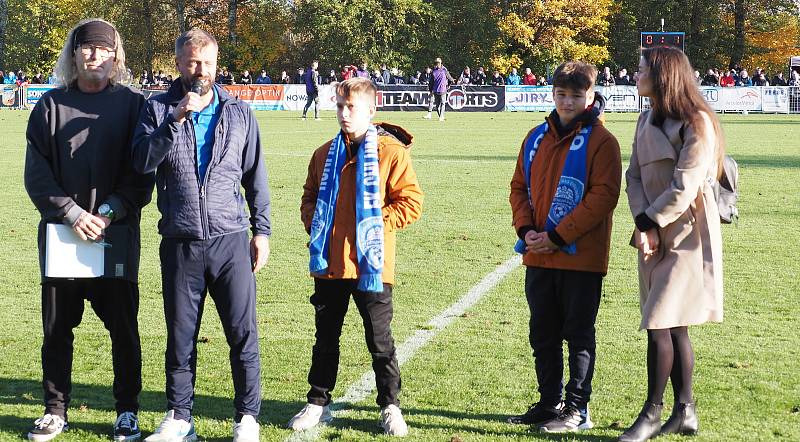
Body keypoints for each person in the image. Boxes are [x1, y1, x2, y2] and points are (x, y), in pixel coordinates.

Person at [132, 28, 271, 442]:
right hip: (180, 239)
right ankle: (179, 417)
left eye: (207, 63)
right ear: (178, 63)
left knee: (242, 332)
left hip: (230, 239)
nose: (201, 70)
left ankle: (247, 417)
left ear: (216, 64)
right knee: (180, 335)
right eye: (193, 62)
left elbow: (256, 177)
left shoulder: (239, 113)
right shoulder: (156, 109)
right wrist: (174, 121)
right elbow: (140, 162)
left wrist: (261, 231)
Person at [23, 18, 152, 442]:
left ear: (116, 56)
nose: (95, 56)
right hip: (63, 236)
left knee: (123, 328)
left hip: (115, 236)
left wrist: (110, 211)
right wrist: (72, 213)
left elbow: (142, 172)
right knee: (58, 328)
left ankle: (126, 411)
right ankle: (55, 410)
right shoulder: (50, 105)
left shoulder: (134, 105)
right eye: (87, 48)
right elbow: (37, 176)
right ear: (74, 53)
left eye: (103, 49)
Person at [288, 77, 423, 437]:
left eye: (352, 107)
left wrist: (376, 225)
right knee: (325, 337)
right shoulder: (322, 154)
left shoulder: (391, 153)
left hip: (373, 264)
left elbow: (411, 202)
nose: (345, 114)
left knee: (380, 339)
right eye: (340, 107)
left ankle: (390, 405)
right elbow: (309, 197)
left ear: (370, 110)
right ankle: (318, 402)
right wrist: (316, 224)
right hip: (330, 263)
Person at [508, 60, 622, 433]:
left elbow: (603, 197)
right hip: (538, 254)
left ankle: (577, 408)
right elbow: (519, 187)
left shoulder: (603, 141)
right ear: (552, 94)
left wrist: (557, 236)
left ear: (591, 95)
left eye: (576, 95)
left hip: (580, 258)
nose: (567, 102)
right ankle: (548, 402)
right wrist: (526, 230)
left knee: (578, 334)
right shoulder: (535, 136)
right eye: (561, 94)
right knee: (542, 332)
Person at [619, 46, 724, 442]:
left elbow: (686, 186)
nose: (635, 75)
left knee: (660, 323)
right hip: (651, 231)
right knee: (673, 325)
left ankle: (651, 413)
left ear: (663, 76)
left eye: (641, 69)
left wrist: (649, 220)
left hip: (686, 234)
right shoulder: (645, 118)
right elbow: (633, 177)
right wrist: (643, 224)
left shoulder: (697, 122)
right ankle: (686, 410)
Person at [423, 57, 454, 121]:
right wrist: (431, 90)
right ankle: (441, 116)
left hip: (441, 90)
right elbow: (431, 82)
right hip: (437, 90)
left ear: (440, 63)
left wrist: (448, 85)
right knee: (439, 105)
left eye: (437, 63)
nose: (437, 64)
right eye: (436, 63)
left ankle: (441, 116)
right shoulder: (436, 71)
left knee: (441, 104)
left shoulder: (443, 70)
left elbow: (450, 79)